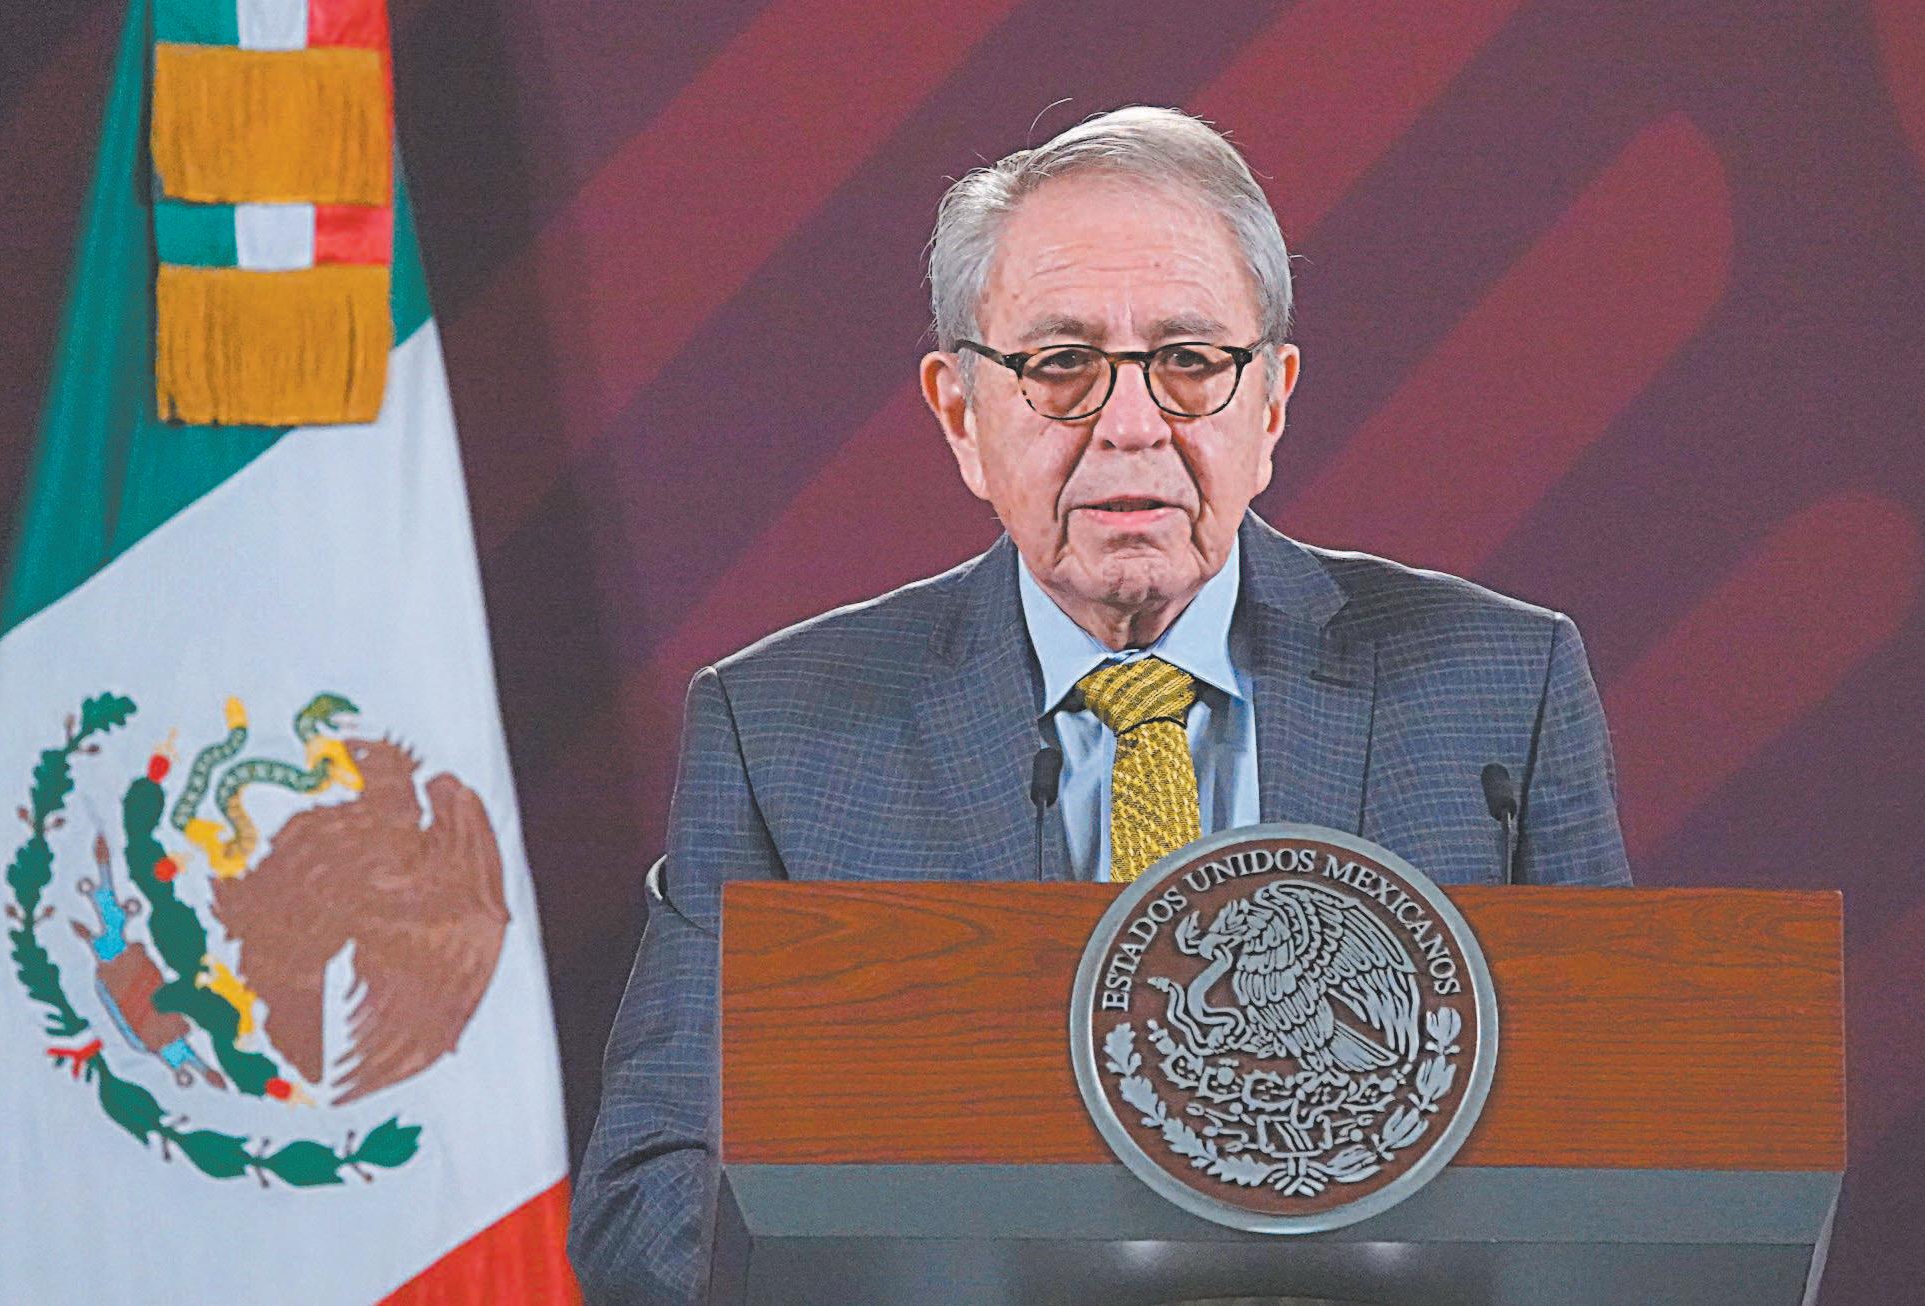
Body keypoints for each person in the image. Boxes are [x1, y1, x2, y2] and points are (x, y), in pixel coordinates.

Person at [567, 105, 1631, 1302]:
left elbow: (1633, 1152)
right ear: (960, 414)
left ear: (1270, 402)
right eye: (1060, 364)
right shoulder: (783, 737)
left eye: (1189, 361)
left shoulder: (1498, 690)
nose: (1131, 427)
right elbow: (647, 1202)